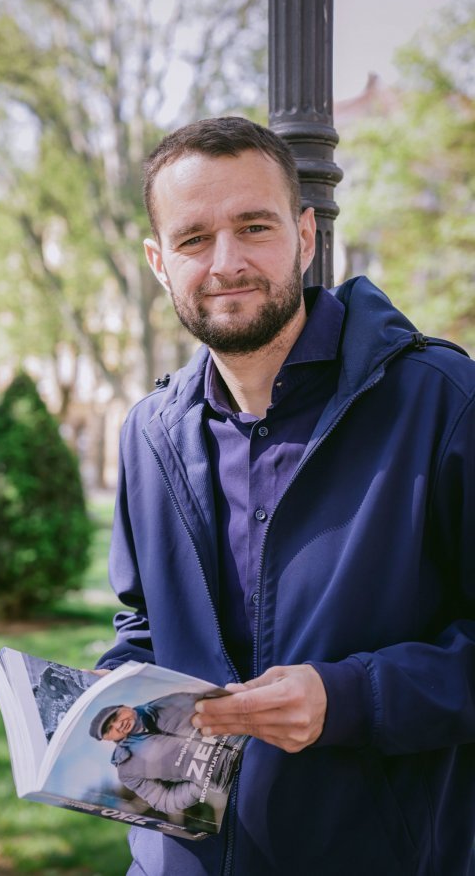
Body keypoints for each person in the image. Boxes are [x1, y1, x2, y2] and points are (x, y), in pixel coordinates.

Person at [96, 116, 475, 875]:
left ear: (305, 235)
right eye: (194, 239)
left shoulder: (443, 401)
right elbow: (142, 624)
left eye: (254, 226)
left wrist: (352, 699)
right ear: (159, 262)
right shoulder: (147, 433)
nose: (226, 262)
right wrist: (110, 698)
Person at [88, 692, 243, 814]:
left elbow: (216, 701)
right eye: (109, 728)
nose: (118, 725)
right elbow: (164, 800)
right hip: (231, 782)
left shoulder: (166, 702)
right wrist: (200, 786)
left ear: (125, 707)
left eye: (116, 716)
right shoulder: (127, 770)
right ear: (107, 738)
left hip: (247, 739)